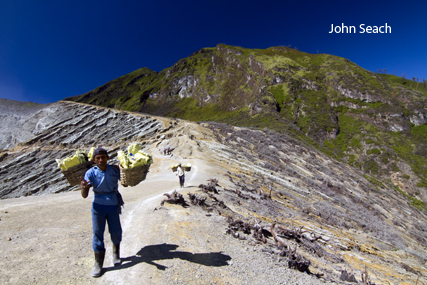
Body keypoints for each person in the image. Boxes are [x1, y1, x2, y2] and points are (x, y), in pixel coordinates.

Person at [80, 147, 127, 278]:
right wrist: (84, 187)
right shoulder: (90, 173)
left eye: (103, 157)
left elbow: (125, 183)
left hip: (113, 204)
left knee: (116, 230)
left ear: (107, 158)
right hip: (98, 206)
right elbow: (84, 195)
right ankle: (98, 264)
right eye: (98, 158)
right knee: (98, 233)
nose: (101, 160)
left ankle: (116, 254)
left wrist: (124, 170)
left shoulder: (114, 170)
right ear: (94, 160)